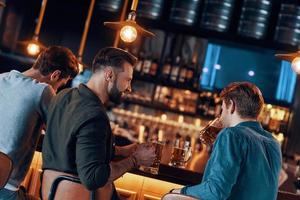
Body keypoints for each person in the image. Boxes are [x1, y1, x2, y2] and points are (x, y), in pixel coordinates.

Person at [42, 47, 156, 200]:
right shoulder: (95, 116)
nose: (129, 88)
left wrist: (121, 151)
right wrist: (135, 160)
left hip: (50, 193)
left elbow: (74, 147)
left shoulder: (62, 96)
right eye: (127, 80)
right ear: (109, 74)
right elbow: (93, 178)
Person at [171, 82, 282, 200]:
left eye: (222, 109)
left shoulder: (231, 134)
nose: (221, 115)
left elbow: (214, 192)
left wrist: (179, 192)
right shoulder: (273, 142)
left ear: (232, 106)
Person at [0, 46, 79, 200]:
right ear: (55, 75)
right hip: (6, 188)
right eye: (61, 84)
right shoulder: (43, 91)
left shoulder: (2, 78)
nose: (57, 89)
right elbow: (64, 134)